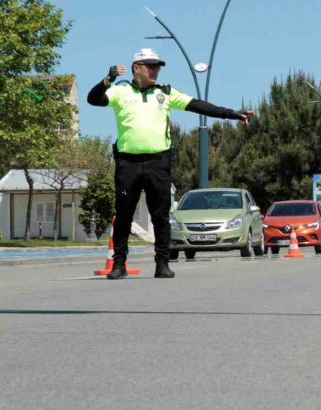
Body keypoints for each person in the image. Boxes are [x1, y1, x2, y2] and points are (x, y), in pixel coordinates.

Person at [87, 48, 253, 279]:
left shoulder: (165, 93)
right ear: (137, 68)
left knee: (161, 215)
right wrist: (107, 79)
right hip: (128, 163)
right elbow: (93, 99)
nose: (155, 70)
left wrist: (232, 114)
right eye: (150, 65)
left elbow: (198, 105)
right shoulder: (120, 90)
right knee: (124, 214)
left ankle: (162, 263)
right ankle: (119, 264)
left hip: (158, 162)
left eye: (158, 66)